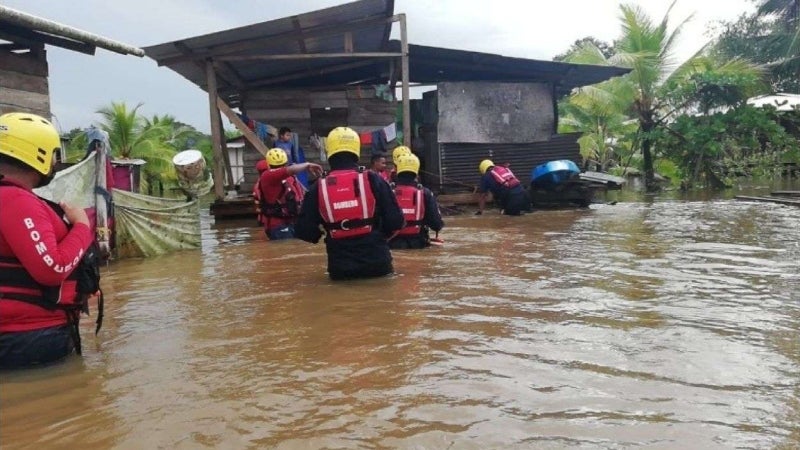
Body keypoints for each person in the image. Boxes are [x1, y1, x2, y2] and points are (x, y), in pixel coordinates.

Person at [0, 112, 102, 369]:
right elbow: (51, 269)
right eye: (56, 155)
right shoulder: (16, 201)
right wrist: (81, 226)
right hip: (28, 338)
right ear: (41, 154)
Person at [295, 127, 404, 280]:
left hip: (341, 268)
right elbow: (396, 221)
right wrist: (376, 235)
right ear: (356, 150)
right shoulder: (374, 179)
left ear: (329, 152)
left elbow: (304, 231)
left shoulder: (317, 188)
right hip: (377, 263)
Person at [258, 148, 322, 240]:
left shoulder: (290, 177)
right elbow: (287, 170)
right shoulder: (267, 176)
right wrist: (307, 165)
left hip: (293, 222)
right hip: (278, 225)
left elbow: (304, 194)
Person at [389, 154, 444, 249]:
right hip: (418, 243)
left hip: (391, 243)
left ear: (397, 170)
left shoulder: (387, 191)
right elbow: (436, 224)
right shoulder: (425, 193)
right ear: (416, 171)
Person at [252, 159, 269, 226]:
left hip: (262, 220)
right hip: (273, 219)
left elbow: (256, 208)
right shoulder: (276, 183)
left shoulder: (257, 185)